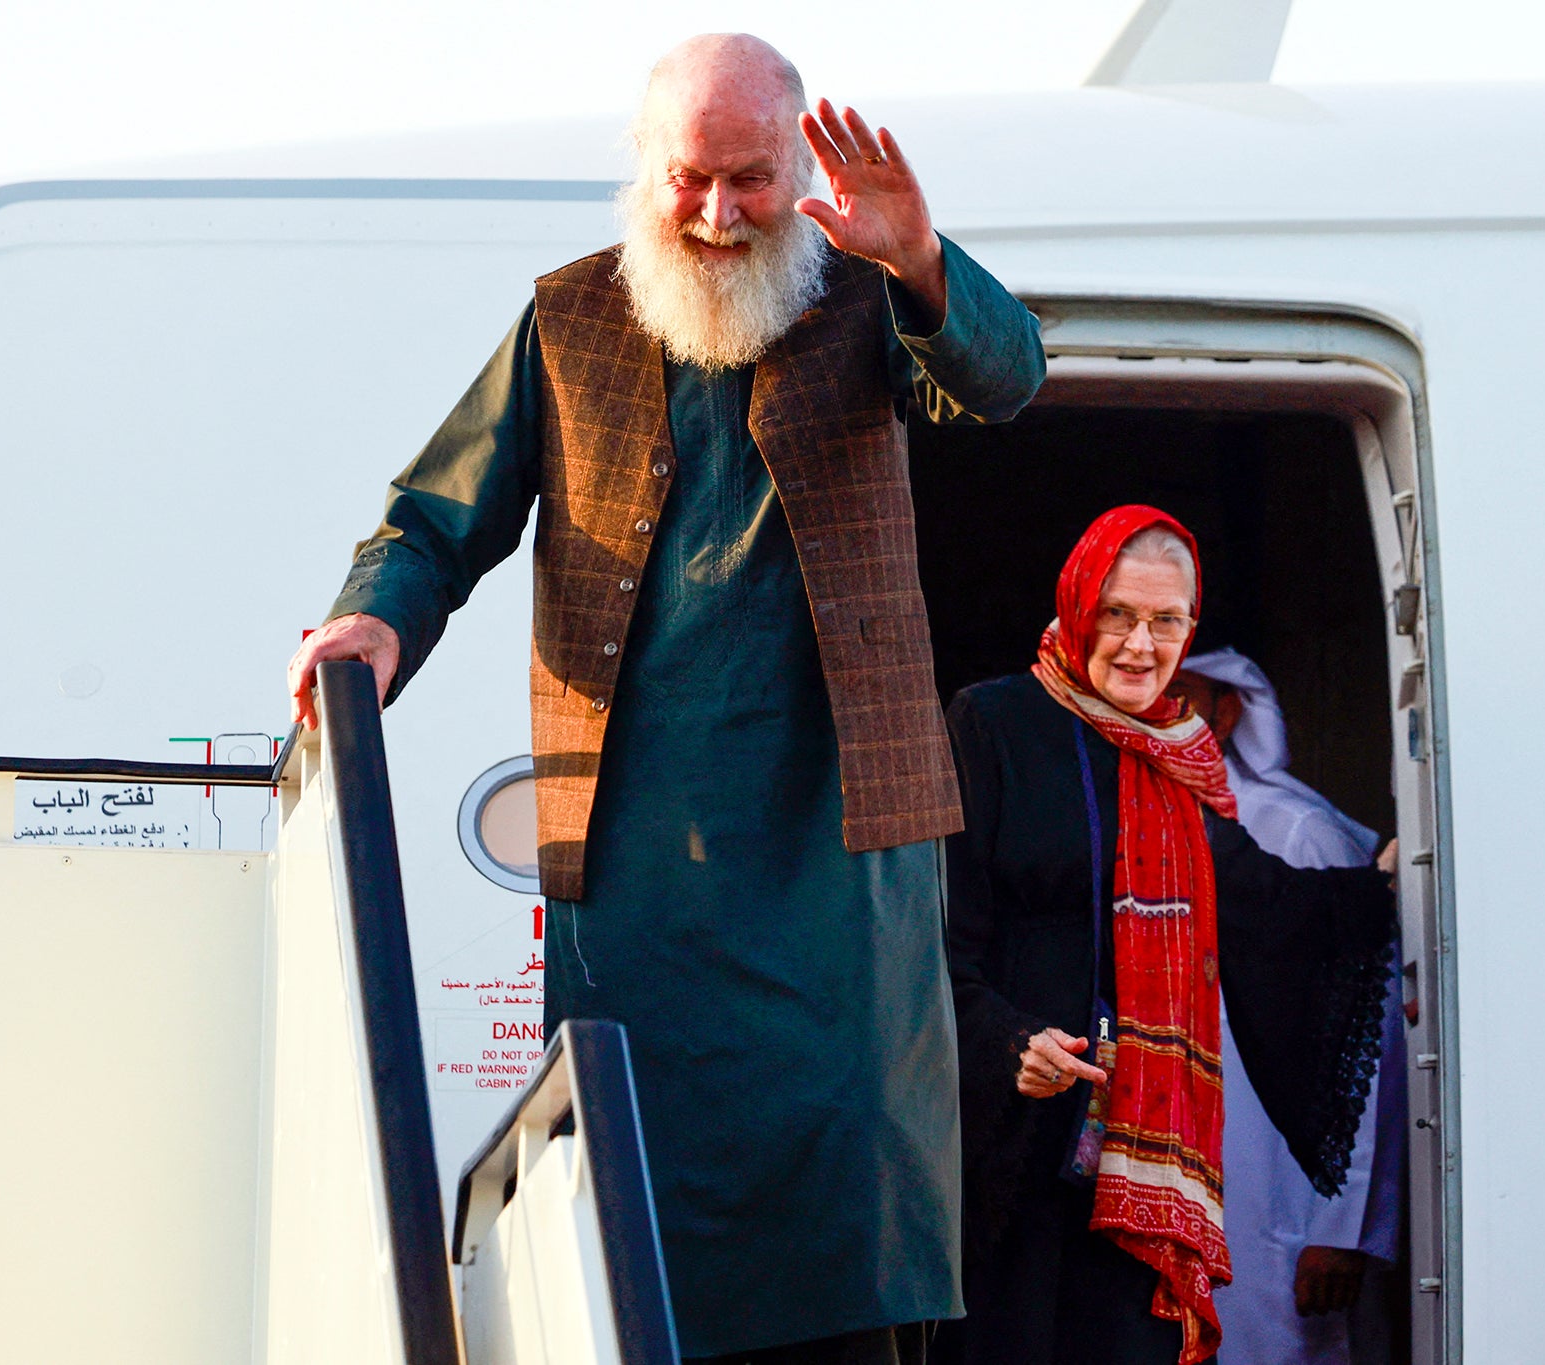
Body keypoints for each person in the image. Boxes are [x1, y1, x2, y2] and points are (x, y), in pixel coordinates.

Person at [284, 32, 1045, 1365]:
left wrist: (923, 262)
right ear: (646, 170)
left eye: (751, 179)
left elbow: (1008, 378)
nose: (717, 212)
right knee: (637, 1229)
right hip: (636, 874)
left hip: (844, 877)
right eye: (693, 178)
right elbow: (434, 521)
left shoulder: (868, 300)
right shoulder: (568, 320)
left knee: (850, 1231)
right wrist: (372, 621)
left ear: (798, 163)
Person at [938, 506, 1395, 1365]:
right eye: (1118, 612)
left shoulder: (1181, 758)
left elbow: (1265, 901)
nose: (1141, 644)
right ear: (1078, 602)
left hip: (1143, 1164)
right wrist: (1008, 1045)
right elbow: (932, 943)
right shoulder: (992, 724)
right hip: (1011, 1155)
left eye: (1166, 620)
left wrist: (1387, 884)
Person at [1175, 650, 1407, 1365]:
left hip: (1287, 1206)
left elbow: (1369, 1039)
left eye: (1182, 695)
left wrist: (1345, 1227)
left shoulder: (1299, 832)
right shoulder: (1135, 829)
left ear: (1229, 709)